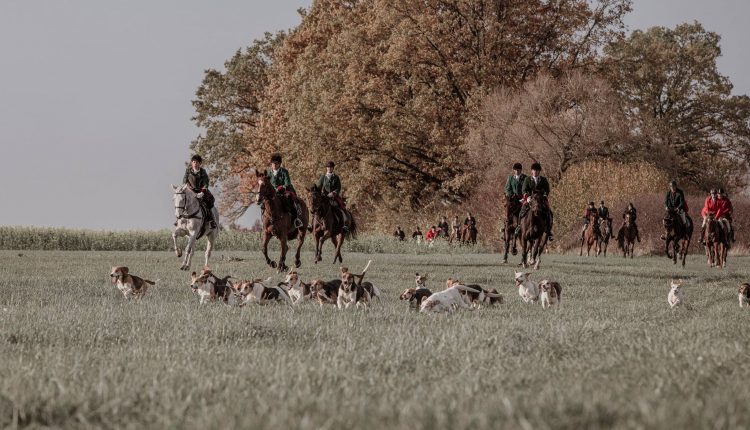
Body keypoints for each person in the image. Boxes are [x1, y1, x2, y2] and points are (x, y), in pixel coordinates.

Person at [183, 154, 218, 229]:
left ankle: (211, 220)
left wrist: (202, 192)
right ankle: (180, 219)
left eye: (197, 162)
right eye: (194, 162)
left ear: (200, 163)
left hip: (201, 191)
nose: (195, 164)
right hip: (191, 191)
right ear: (192, 163)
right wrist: (190, 189)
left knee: (209, 201)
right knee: (182, 200)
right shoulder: (188, 171)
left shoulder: (203, 171)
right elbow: (184, 182)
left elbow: (206, 183)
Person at [520, 162, 554, 240]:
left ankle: (549, 230)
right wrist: (527, 197)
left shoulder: (543, 180)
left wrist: (544, 195)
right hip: (530, 199)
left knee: (549, 212)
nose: (535, 172)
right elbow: (524, 190)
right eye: (534, 170)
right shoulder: (527, 179)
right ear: (531, 171)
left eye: (537, 170)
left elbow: (547, 190)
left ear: (539, 171)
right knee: (522, 210)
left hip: (540, 200)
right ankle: (519, 226)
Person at [267, 153, 302, 228]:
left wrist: (281, 187)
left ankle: (296, 219)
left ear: (279, 164)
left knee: (290, 200)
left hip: (284, 191)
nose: (274, 165)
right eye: (272, 163)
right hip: (273, 193)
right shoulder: (269, 173)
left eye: (275, 163)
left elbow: (287, 183)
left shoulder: (284, 172)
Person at [316, 160, 349, 228]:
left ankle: (344, 223)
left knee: (340, 207)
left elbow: (338, 187)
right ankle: (312, 224)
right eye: (328, 167)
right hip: (324, 197)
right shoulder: (323, 177)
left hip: (333, 197)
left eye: (331, 167)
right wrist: (320, 193)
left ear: (333, 168)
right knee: (316, 208)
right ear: (326, 168)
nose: (329, 168)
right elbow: (318, 187)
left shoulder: (336, 177)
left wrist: (333, 193)